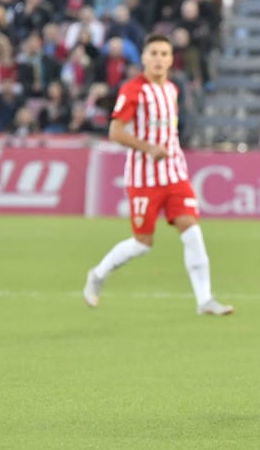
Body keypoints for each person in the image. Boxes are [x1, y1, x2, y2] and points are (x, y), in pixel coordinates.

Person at [83, 34, 233, 316]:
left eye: (165, 54)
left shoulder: (172, 90)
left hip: (175, 172)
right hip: (144, 178)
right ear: (143, 58)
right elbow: (116, 131)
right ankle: (99, 273)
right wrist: (147, 148)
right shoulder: (133, 90)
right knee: (142, 244)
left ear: (170, 59)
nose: (159, 59)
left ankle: (205, 299)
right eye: (153, 53)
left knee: (192, 230)